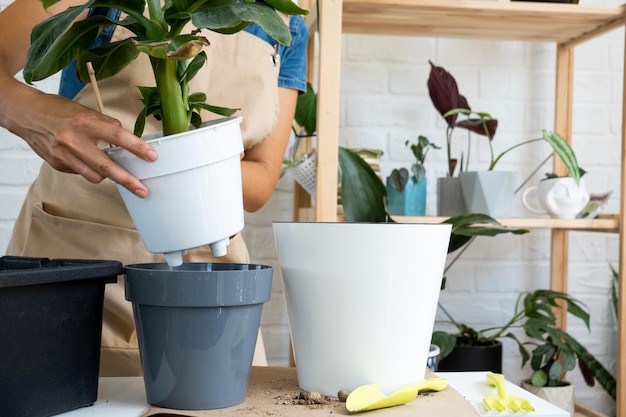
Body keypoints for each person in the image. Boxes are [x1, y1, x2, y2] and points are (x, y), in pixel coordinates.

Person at [0, 0, 308, 376]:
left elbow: (260, 182)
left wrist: (186, 160)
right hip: (75, 270)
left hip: (209, 281)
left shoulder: (284, 23)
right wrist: (32, 112)